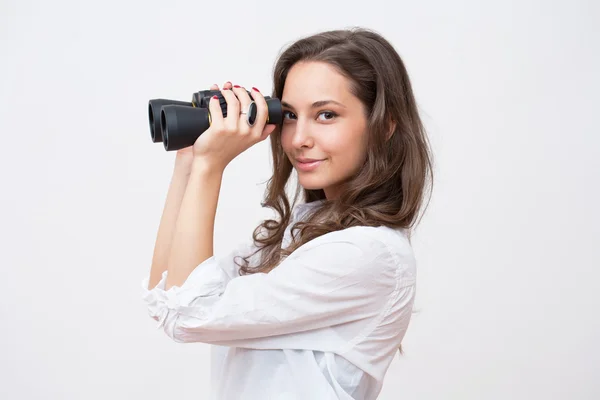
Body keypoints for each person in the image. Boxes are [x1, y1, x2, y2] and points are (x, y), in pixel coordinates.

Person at [141, 27, 434, 400]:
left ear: (385, 125)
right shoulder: (299, 235)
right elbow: (166, 296)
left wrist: (210, 168)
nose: (298, 139)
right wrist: (191, 156)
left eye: (326, 115)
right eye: (290, 116)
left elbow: (189, 314)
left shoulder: (369, 253)